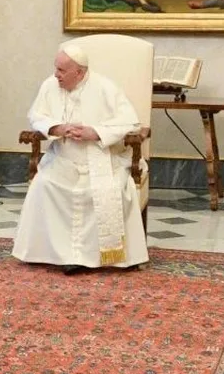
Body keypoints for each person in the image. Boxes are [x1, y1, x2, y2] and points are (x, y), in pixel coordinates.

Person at [12, 48, 149, 273]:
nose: (56, 74)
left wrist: (95, 133)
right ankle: (47, 253)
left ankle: (95, 257)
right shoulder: (49, 85)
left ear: (79, 72)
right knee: (44, 184)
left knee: (110, 189)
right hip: (62, 158)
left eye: (61, 70)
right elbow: (36, 116)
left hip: (102, 157)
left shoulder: (105, 88)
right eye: (56, 68)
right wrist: (58, 128)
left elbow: (130, 123)